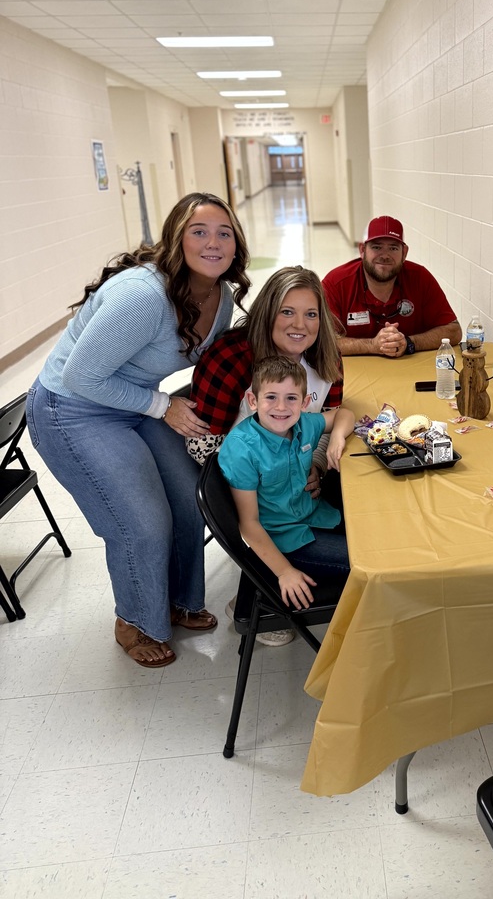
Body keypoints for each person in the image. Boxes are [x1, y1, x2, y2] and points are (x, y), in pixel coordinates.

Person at [26, 192, 250, 669]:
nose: (213, 243)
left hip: (137, 404)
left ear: (237, 244)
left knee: (194, 497)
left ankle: (177, 600)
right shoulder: (143, 295)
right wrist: (161, 406)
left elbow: (213, 366)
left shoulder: (222, 295)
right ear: (176, 239)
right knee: (143, 522)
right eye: (199, 231)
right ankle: (135, 620)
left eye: (224, 233)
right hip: (73, 410)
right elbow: (80, 377)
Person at [186, 264, 344, 645]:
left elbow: (329, 419)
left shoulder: (326, 361)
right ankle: (262, 582)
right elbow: (204, 447)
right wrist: (274, 470)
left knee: (370, 524)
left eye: (310, 314)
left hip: (298, 499)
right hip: (264, 506)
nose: (300, 324)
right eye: (287, 311)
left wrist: (317, 462)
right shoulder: (232, 360)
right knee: (370, 559)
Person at [218, 356, 354, 610]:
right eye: (271, 397)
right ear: (252, 400)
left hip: (315, 516)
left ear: (304, 403)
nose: (281, 407)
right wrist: (284, 572)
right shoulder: (242, 450)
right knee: (368, 562)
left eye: (291, 398)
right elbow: (248, 524)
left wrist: (336, 437)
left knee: (379, 537)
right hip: (285, 542)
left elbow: (343, 414)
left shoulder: (302, 423)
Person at [322, 215, 461, 358]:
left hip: (407, 372)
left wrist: (408, 343)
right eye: (377, 247)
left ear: (404, 253)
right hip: (354, 375)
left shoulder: (420, 278)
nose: (385, 255)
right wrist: (373, 345)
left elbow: (454, 331)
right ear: (362, 250)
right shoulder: (336, 284)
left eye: (393, 248)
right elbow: (321, 342)